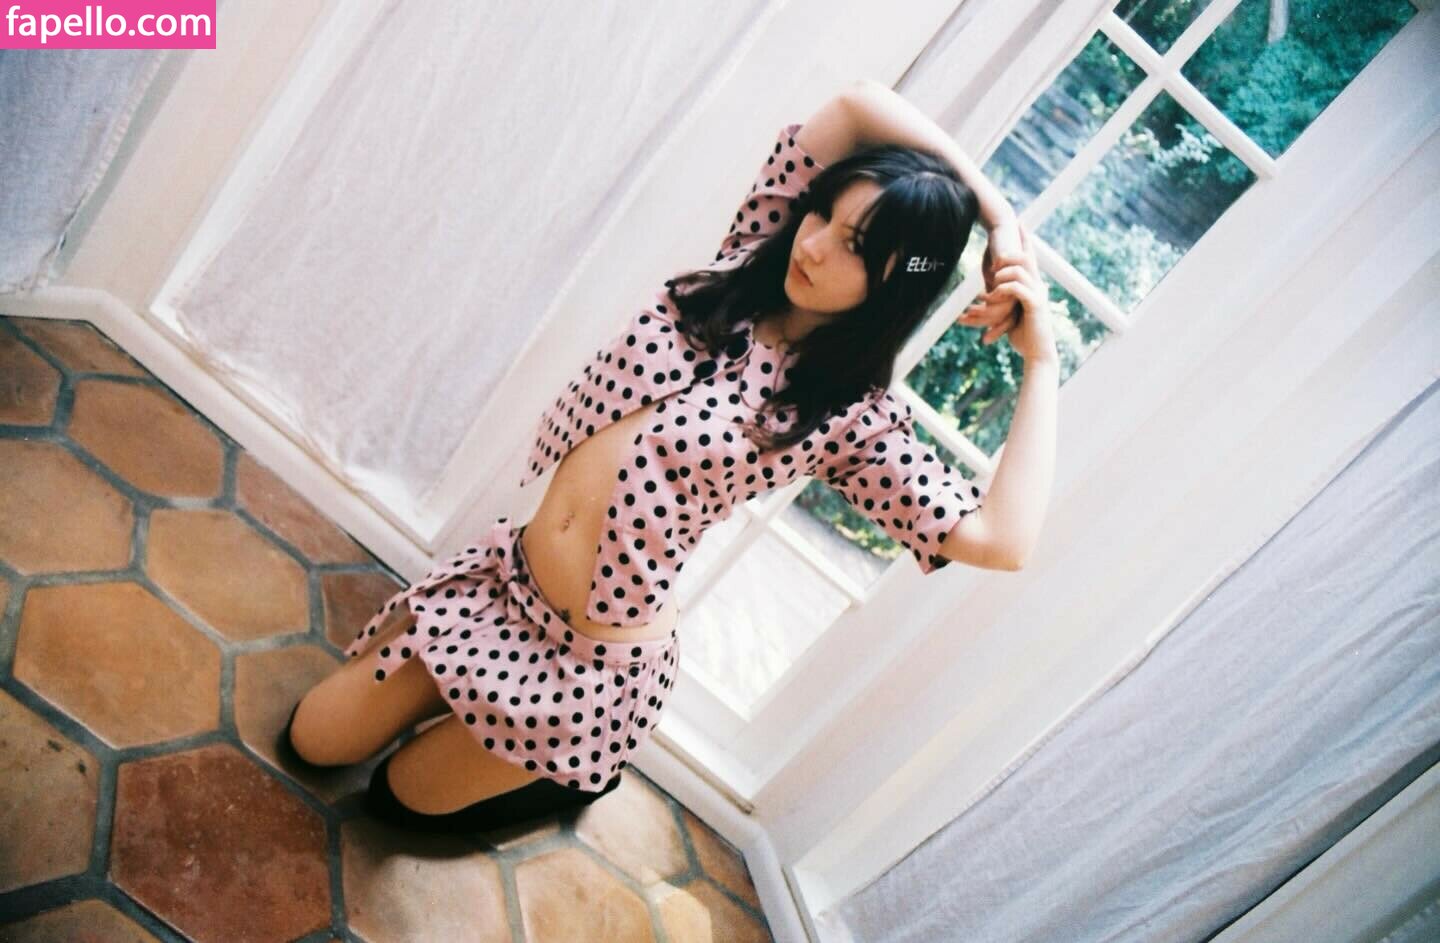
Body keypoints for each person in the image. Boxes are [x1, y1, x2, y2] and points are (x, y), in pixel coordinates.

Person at [281, 79, 1057, 833]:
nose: (814, 245)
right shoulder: (752, 253)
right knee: (313, 740)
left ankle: (573, 776)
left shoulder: (847, 415)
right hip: (504, 581)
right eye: (823, 211)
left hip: (584, 669)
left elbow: (1001, 539)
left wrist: (1042, 360)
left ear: (895, 283)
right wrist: (997, 218)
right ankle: (476, 722)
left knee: (396, 800)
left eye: (854, 245)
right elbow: (856, 105)